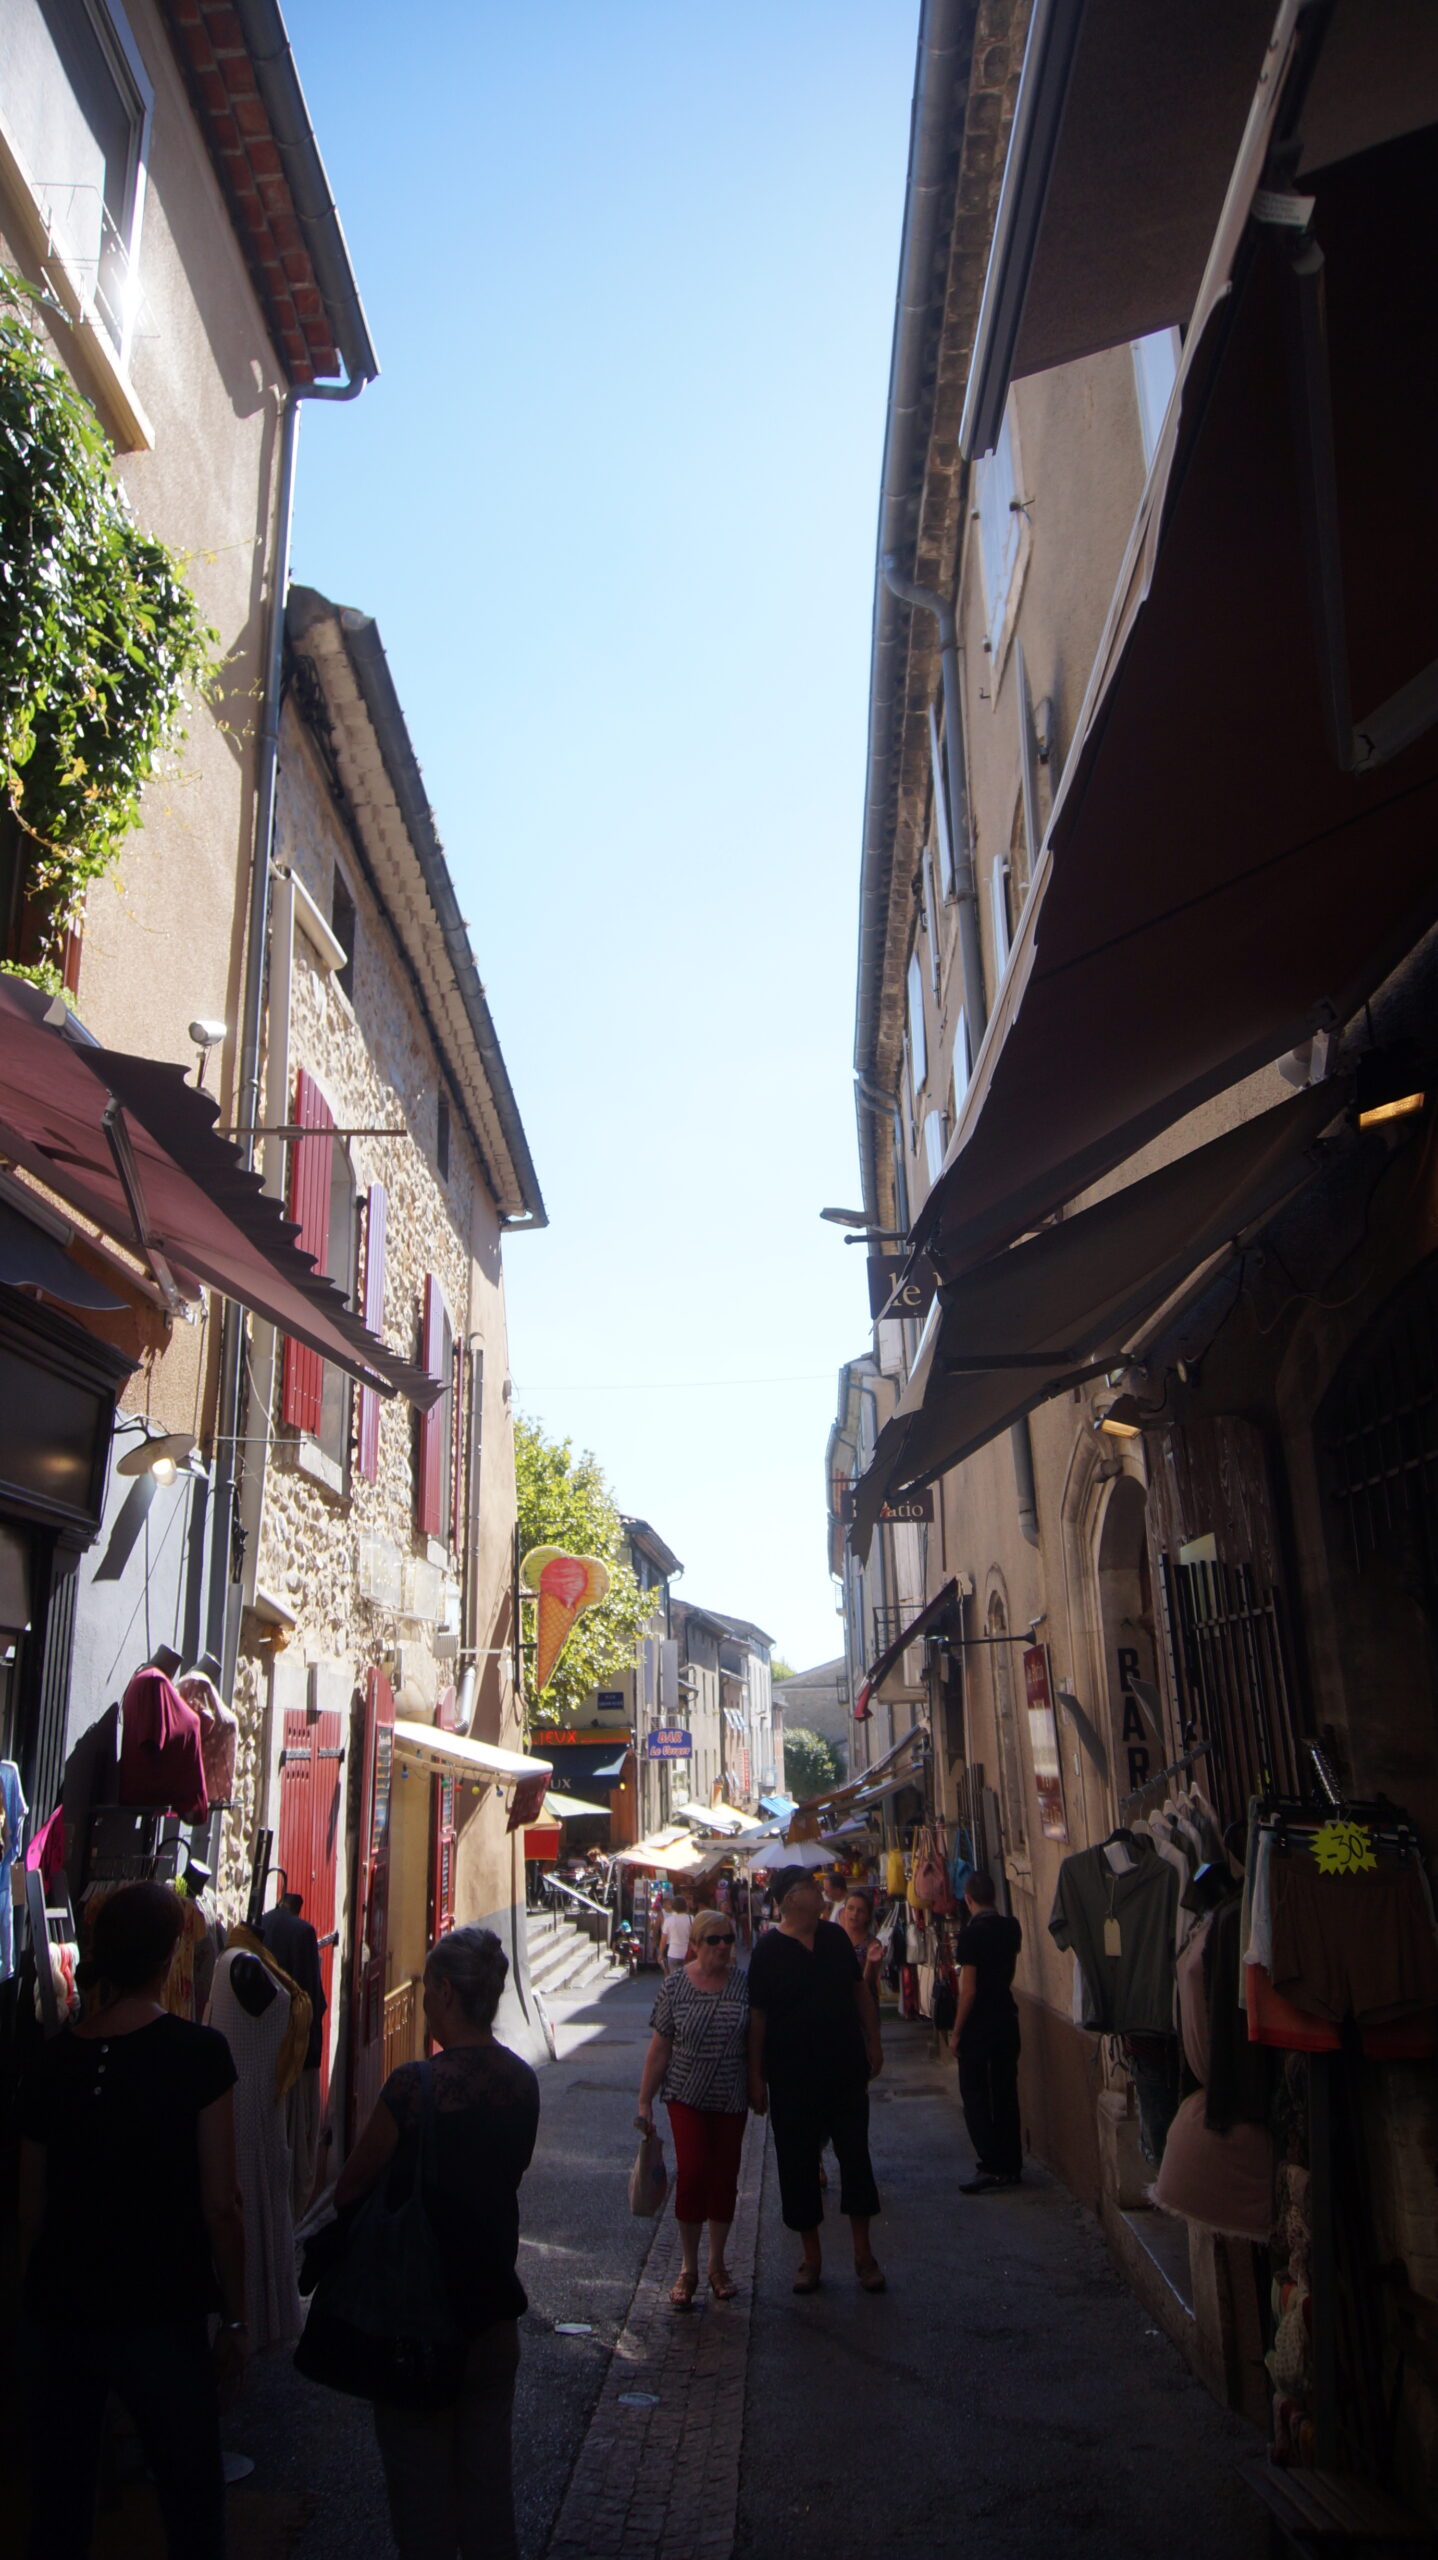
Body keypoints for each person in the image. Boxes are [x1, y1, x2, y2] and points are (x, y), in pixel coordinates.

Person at [17, 1880, 246, 2560]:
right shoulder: (197, 2055)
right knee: (190, 2499)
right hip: (161, 2306)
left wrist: (31, 2306)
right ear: (170, 1957)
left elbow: (33, 2206)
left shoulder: (53, 2061)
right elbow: (221, 2204)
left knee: (61, 2501)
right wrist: (236, 2316)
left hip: (64, 2305)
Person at [335, 1925, 539, 2560]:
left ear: (447, 1993)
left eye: (428, 1990)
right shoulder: (521, 2082)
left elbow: (348, 2192)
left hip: (417, 2321)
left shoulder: (412, 2088)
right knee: (489, 2507)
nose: (424, 2002)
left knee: (422, 2513)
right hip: (492, 2312)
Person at [747, 1865, 885, 2294]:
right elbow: (758, 2018)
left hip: (843, 2068)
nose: (821, 1891)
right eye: (811, 1886)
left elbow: (857, 1992)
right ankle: (811, 2257)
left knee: (855, 2157)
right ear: (791, 1899)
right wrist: (756, 2076)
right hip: (791, 2077)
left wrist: (874, 2040)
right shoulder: (767, 1951)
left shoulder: (833, 1938)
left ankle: (864, 2254)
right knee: (797, 2165)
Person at [636, 1905, 752, 2308]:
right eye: (714, 1940)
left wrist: (760, 2086)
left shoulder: (743, 1985)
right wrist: (644, 2100)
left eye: (728, 1939)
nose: (723, 1947)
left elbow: (756, 2044)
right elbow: (660, 2046)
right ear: (696, 1945)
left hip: (730, 2095)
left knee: (724, 2177)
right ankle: (688, 2267)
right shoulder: (675, 1987)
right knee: (694, 2172)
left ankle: (717, 2265)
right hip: (686, 2094)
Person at [947, 1870, 1024, 2192]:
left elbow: (969, 1990)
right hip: (1006, 2016)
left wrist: (956, 2031)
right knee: (1005, 2091)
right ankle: (1011, 2163)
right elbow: (1008, 1972)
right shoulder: (1011, 1928)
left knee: (976, 2093)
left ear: (968, 1899)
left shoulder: (970, 1936)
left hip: (979, 2024)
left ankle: (990, 2163)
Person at [660, 1892, 693, 1972]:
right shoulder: (691, 1919)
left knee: (674, 1978)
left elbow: (663, 1940)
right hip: (687, 1954)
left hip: (673, 1953)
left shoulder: (668, 1920)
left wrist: (660, 1954)